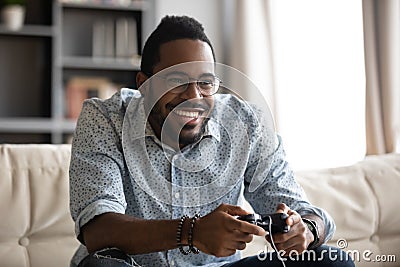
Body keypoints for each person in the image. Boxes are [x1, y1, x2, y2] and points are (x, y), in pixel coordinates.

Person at [69, 15, 354, 267]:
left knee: (331, 260)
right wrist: (191, 232)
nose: (194, 97)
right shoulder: (104, 118)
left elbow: (301, 210)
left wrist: (306, 229)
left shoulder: (246, 123)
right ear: (144, 84)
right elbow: (98, 231)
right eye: (176, 81)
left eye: (205, 83)